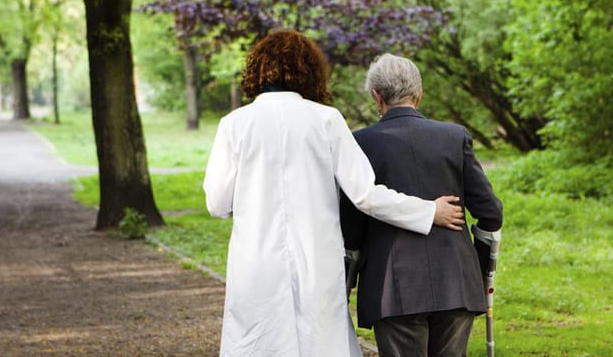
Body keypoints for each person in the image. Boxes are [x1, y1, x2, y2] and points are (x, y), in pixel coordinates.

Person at [203, 30, 466, 357]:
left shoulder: (234, 125)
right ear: (310, 71)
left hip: (257, 263)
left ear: (256, 69)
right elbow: (365, 196)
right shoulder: (326, 120)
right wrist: (428, 211)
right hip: (317, 261)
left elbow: (216, 203)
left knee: (259, 344)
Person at [340, 53, 503, 357]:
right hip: (456, 282)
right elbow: (491, 213)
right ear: (419, 94)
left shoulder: (360, 143)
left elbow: (352, 227)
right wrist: (477, 266)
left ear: (377, 97)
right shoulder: (454, 136)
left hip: (392, 288)